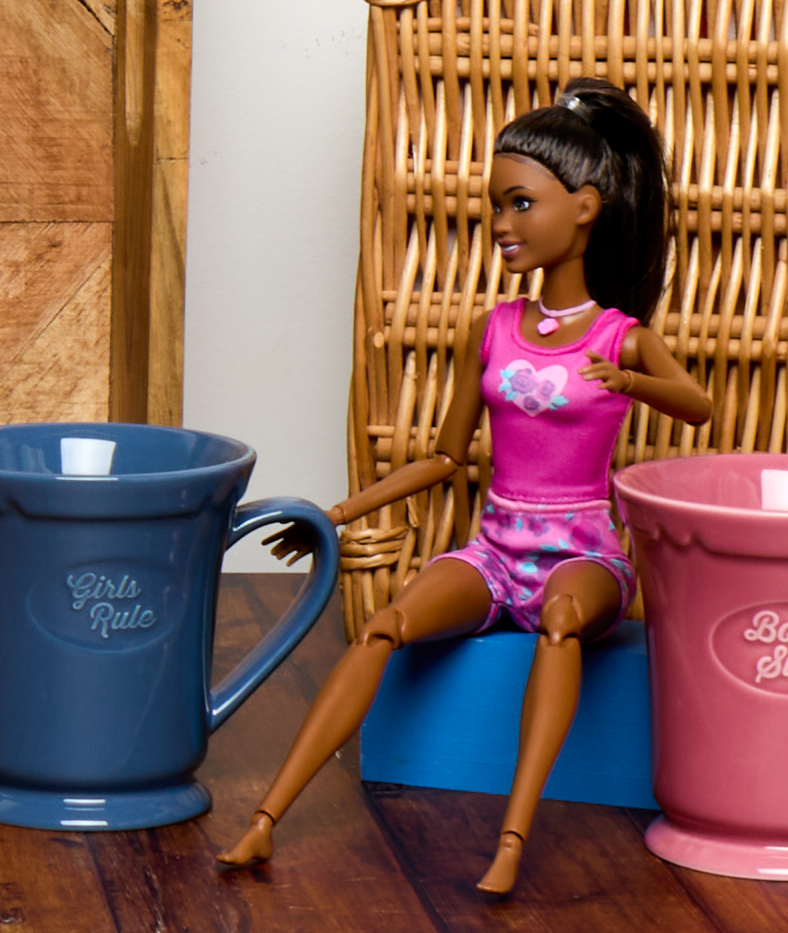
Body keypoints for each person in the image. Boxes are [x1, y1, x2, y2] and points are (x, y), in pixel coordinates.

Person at [216, 79, 712, 893]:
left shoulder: (624, 337)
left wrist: (632, 384)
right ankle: (265, 819)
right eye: (495, 206)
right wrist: (332, 515)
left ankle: (511, 838)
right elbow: (444, 457)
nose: (501, 226)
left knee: (558, 621)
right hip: (495, 547)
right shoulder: (491, 328)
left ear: (583, 208)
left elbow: (697, 406)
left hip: (581, 553)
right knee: (385, 624)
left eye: (519, 204)